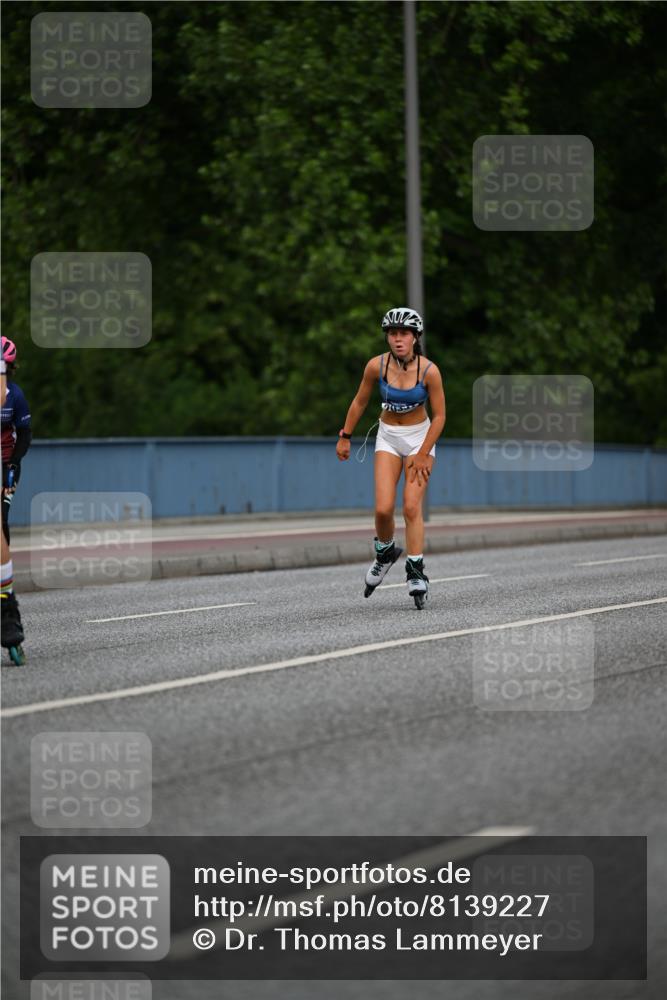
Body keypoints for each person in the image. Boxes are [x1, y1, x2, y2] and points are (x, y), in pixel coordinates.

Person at [336, 307, 446, 608]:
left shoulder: (429, 371)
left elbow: (440, 417)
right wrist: (345, 435)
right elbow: (360, 401)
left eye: (404, 334)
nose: (398, 339)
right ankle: (385, 552)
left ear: (415, 337)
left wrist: (423, 453)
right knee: (384, 509)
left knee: (411, 506)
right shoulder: (376, 366)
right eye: (393, 334)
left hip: (419, 439)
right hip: (388, 436)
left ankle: (415, 570)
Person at [1, 337, 30, 662]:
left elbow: (26, 434)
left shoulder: (15, 396)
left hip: (4, 467)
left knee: (1, 526)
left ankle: (8, 609)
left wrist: (12, 466)